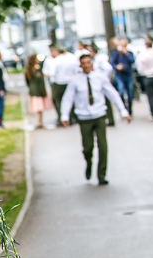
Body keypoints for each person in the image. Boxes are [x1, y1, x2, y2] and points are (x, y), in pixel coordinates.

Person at [61, 53, 132, 185]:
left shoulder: (100, 78)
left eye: (88, 62)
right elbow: (68, 98)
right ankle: (89, 163)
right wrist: (64, 115)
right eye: (84, 63)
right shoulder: (75, 80)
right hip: (84, 118)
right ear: (80, 65)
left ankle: (101, 174)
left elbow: (112, 94)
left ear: (92, 63)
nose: (86, 65)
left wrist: (123, 111)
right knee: (88, 148)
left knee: (103, 146)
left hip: (99, 115)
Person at [49, 44, 78, 125]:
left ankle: (62, 118)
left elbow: (52, 73)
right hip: (70, 81)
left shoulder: (56, 60)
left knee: (57, 100)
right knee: (69, 99)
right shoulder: (71, 58)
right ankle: (71, 117)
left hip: (59, 82)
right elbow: (76, 70)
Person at [87, 43, 115, 126]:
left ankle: (110, 119)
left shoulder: (99, 59)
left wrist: (103, 78)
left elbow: (108, 68)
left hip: (101, 83)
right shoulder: (95, 59)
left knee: (106, 101)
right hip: (98, 83)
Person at [25, 53, 53, 129]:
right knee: (39, 108)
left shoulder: (29, 69)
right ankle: (39, 122)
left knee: (38, 108)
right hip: (38, 91)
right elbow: (39, 80)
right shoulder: (36, 69)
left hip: (34, 91)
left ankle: (39, 122)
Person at [110, 37, 135, 115]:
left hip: (128, 75)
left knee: (130, 93)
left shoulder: (129, 53)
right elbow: (112, 62)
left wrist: (126, 53)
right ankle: (123, 108)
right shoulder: (117, 53)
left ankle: (130, 110)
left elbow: (132, 60)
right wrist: (117, 66)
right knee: (121, 92)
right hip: (120, 75)